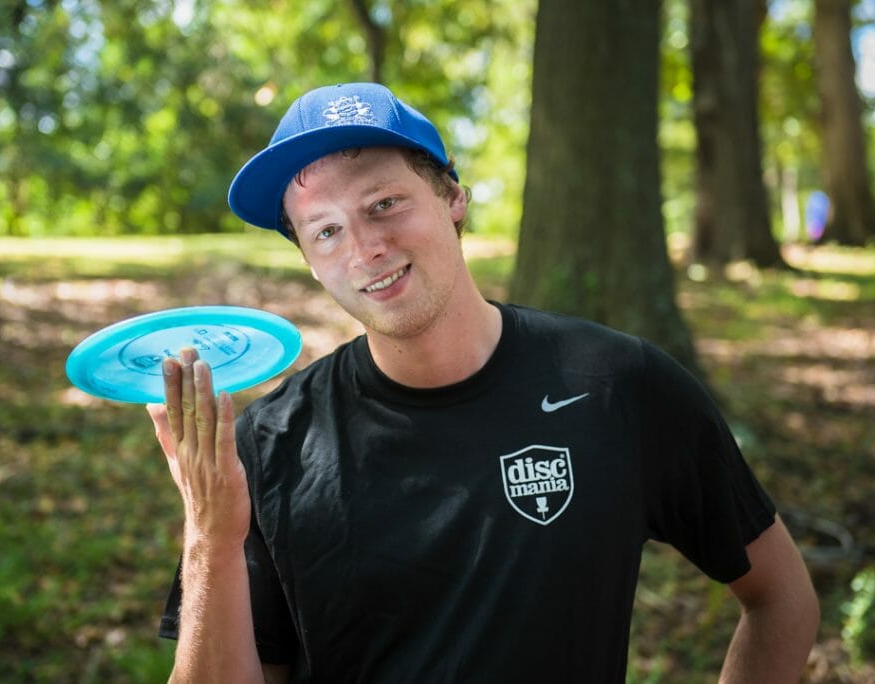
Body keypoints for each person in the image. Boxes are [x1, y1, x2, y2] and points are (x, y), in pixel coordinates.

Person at [147, 82, 819, 683]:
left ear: (452, 197)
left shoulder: (618, 386)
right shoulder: (265, 446)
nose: (363, 248)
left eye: (383, 203)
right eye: (325, 231)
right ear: (310, 261)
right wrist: (211, 535)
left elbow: (782, 599)